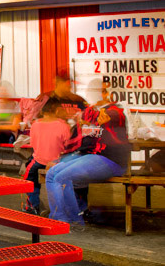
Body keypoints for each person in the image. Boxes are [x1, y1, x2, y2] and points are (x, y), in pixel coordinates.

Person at [45, 83, 130, 226]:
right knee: (51, 175)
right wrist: (61, 158)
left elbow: (114, 116)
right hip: (90, 156)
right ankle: (63, 219)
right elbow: (77, 140)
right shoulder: (88, 112)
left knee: (61, 177)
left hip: (110, 160)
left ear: (106, 94)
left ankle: (69, 221)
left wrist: (105, 116)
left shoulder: (115, 111)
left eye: (99, 92)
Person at [21, 99, 70, 215]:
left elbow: (33, 145)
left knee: (29, 178)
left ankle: (33, 205)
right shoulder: (64, 126)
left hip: (39, 161)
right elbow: (68, 146)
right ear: (57, 110)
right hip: (58, 162)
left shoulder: (35, 124)